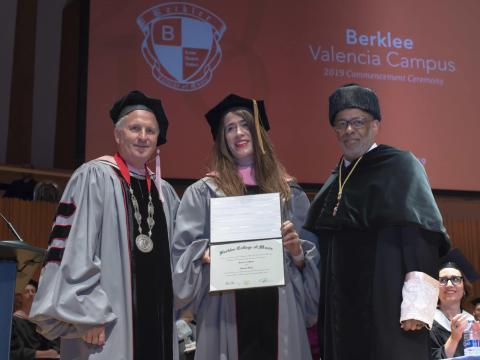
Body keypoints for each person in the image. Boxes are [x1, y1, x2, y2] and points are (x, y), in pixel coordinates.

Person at [29, 90, 180, 360]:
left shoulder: (164, 193)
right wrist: (86, 312)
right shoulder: (94, 176)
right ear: (118, 135)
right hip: (105, 323)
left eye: (150, 130)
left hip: (158, 322)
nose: (143, 136)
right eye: (135, 128)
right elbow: (74, 248)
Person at [304, 83, 451, 360]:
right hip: (340, 314)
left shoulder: (400, 166)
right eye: (341, 123)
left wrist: (417, 308)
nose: (349, 130)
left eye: (358, 122)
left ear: (375, 125)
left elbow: (422, 238)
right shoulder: (334, 181)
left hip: (387, 304)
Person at [172, 94, 320, 360]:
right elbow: (181, 254)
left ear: (259, 132)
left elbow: (309, 260)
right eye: (230, 128)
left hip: (280, 308)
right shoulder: (204, 192)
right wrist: (204, 255)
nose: (239, 133)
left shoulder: (288, 192)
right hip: (225, 309)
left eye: (245, 125)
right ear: (222, 139)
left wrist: (297, 252)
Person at [430, 249, 480, 359]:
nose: (449, 284)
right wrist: (454, 338)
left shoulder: (472, 322)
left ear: (465, 289)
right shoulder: (427, 323)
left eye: (455, 279)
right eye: (442, 280)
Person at [10, 280, 60, 359]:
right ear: (20, 297)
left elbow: (55, 343)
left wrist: (55, 351)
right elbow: (13, 352)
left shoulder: (42, 321)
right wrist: (44, 354)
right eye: (26, 291)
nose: (31, 294)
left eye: (33, 291)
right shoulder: (13, 322)